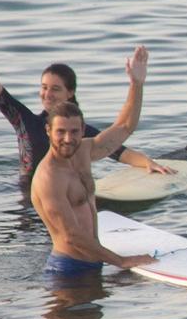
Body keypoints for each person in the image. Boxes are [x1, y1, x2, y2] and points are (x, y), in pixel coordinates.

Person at [0, 3, 169, 181]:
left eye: (55, 89)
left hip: (69, 195)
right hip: (31, 200)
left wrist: (147, 163)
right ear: (49, 131)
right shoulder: (26, 122)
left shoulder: (77, 129)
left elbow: (118, 148)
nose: (47, 94)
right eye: (44, 87)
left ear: (70, 93)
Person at [31, 100, 157, 277]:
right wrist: (122, 261)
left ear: (83, 130)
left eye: (74, 131)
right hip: (68, 271)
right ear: (48, 131)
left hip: (94, 263)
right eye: (61, 131)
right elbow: (71, 236)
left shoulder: (84, 151)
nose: (68, 139)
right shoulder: (49, 177)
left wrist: (136, 83)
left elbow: (125, 127)